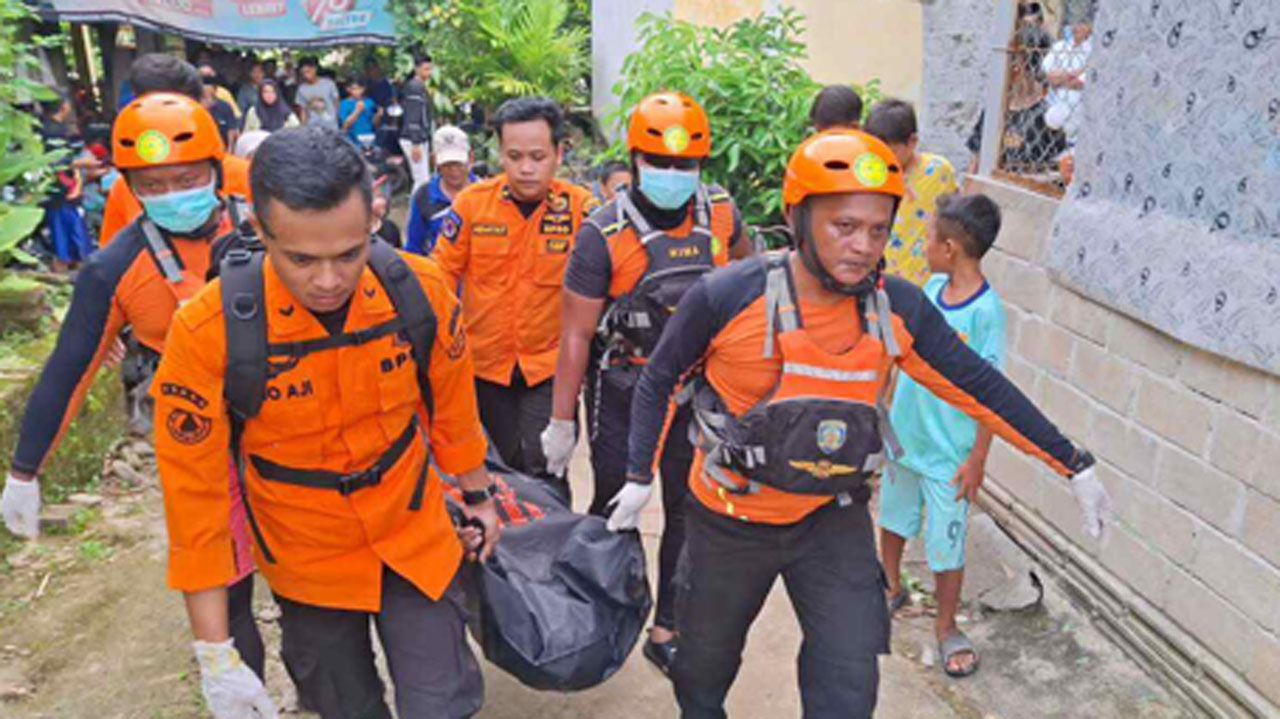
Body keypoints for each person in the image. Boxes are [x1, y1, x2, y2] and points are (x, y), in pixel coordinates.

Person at [611, 129, 1113, 719]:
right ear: (797, 217)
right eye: (843, 226)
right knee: (702, 670)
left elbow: (979, 387)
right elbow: (658, 379)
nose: (863, 246)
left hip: (832, 514)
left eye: (879, 230)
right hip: (730, 517)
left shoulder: (895, 307)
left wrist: (1072, 462)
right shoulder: (727, 295)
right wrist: (638, 474)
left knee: (849, 681)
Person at [152, 126, 498, 719]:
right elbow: (196, 503)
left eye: (349, 253)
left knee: (443, 702)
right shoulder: (208, 332)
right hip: (304, 558)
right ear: (261, 231)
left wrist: (478, 495)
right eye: (302, 259)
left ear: (373, 222)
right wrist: (215, 654)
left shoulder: (419, 291)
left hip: (413, 533)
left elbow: (453, 409)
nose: (329, 280)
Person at [0, 94, 284, 675]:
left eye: (187, 177)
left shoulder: (269, 217)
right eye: (152, 185)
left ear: (217, 164)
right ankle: (240, 691)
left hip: (290, 418)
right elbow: (69, 368)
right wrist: (26, 471)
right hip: (200, 434)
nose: (173, 194)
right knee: (226, 589)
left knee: (310, 582)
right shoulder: (114, 269)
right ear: (128, 185)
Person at [542, 91, 751, 674]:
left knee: (687, 509)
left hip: (694, 392)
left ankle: (667, 629)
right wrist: (563, 422)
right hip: (624, 388)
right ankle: (598, 619)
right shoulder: (602, 233)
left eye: (686, 165)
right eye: (660, 163)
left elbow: (746, 288)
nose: (673, 175)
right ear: (634, 159)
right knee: (613, 506)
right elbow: (577, 335)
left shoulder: (722, 215)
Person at [431, 97, 597, 497]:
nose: (526, 168)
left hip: (549, 369)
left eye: (538, 156)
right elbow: (439, 277)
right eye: (515, 156)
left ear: (559, 153)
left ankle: (554, 551)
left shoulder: (581, 211)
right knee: (490, 472)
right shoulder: (471, 205)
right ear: (499, 154)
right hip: (483, 366)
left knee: (547, 472)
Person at [879, 192, 1005, 679]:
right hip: (905, 439)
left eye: (930, 237)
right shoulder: (930, 287)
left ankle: (946, 625)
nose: (925, 244)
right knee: (893, 517)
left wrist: (978, 458)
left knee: (944, 543)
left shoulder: (986, 314)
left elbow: (993, 395)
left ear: (951, 247)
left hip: (950, 454)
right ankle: (890, 587)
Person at [98, 54, 252, 247]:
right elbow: (112, 265)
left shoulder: (248, 178)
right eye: (153, 185)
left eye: (187, 180)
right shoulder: (124, 190)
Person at [864, 99, 957, 287]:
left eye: (890, 152)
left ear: (912, 141)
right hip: (879, 282)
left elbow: (954, 225)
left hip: (926, 284)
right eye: (876, 153)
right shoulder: (869, 175)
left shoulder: (938, 172)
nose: (882, 160)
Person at [37, 94, 94, 270]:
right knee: (71, 235)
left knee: (59, 235)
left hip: (51, 190)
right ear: (64, 106)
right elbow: (59, 163)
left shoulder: (40, 128)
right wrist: (80, 169)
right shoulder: (56, 132)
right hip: (63, 191)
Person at [406, 125, 475, 255]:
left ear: (471, 158)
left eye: (458, 164)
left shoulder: (485, 193)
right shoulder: (424, 196)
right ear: (435, 160)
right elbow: (414, 246)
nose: (454, 170)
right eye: (447, 165)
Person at [1042, 18, 1093, 145]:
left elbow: (1080, 83)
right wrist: (1077, 72)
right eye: (1074, 23)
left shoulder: (1094, 49)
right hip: (1057, 105)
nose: (1076, 27)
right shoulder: (1061, 46)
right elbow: (1047, 74)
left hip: (1080, 110)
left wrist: (1062, 77)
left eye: (1082, 24)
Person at [399, 54, 435, 191]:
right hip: (413, 138)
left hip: (419, 137)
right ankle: (417, 210)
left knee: (422, 178)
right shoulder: (415, 88)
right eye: (426, 69)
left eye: (430, 69)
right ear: (417, 69)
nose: (429, 73)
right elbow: (413, 116)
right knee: (421, 179)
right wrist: (415, 143)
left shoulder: (419, 87)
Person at [295, 57, 339, 130]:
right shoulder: (301, 89)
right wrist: (302, 127)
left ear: (314, 69)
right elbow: (303, 110)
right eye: (303, 73)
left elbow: (336, 102)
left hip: (330, 126)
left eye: (308, 72)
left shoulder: (329, 83)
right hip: (312, 127)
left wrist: (334, 118)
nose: (306, 75)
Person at [201, 75, 240, 149]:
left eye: (209, 87)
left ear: (215, 89)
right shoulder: (195, 105)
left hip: (222, 148)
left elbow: (231, 129)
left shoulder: (225, 106)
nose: (206, 90)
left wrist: (230, 148)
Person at [338, 76, 381, 143]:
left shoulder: (369, 102)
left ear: (364, 88)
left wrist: (378, 115)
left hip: (369, 139)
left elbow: (375, 124)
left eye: (360, 88)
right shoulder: (344, 104)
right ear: (348, 89)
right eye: (354, 89)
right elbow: (344, 126)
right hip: (352, 141)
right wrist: (357, 111)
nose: (358, 91)